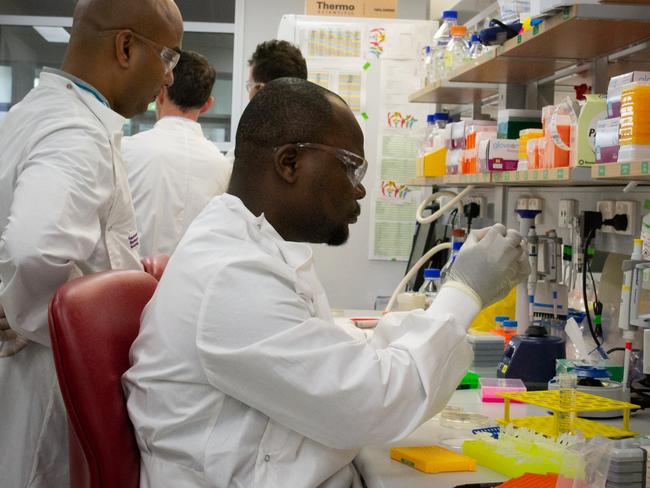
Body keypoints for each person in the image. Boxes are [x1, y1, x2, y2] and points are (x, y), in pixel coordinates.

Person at [123, 78, 529, 487]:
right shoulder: (230, 274)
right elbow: (372, 402)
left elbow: (348, 367)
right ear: (289, 163)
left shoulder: (256, 248)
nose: (360, 187)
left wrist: (445, 301)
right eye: (350, 165)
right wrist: (464, 292)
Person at [0, 0, 183, 486]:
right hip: (49, 387)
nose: (168, 79)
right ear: (126, 47)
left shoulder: (35, 112)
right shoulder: (75, 132)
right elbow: (36, 248)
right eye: (168, 59)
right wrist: (29, 312)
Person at [123, 50, 231, 257]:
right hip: (195, 285)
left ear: (160, 93)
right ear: (207, 104)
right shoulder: (223, 166)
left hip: (131, 283)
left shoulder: (126, 150)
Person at [225, 40, 308, 163]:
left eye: (250, 86)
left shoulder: (242, 157)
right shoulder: (316, 146)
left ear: (260, 89)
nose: (249, 94)